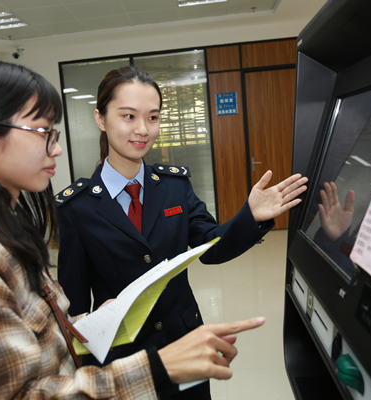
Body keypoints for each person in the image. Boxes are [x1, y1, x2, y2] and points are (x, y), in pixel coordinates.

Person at [0, 60, 267, 399]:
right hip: (122, 365)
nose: (56, 148)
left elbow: (36, 335)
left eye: (153, 117)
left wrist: (83, 322)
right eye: (42, 131)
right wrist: (156, 368)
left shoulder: (0, 230)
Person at [55, 65, 308, 399]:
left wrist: (251, 216)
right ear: (100, 119)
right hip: (123, 361)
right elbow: (73, 308)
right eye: (128, 116)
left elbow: (211, 247)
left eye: (153, 117)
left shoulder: (174, 187)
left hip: (184, 345)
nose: (142, 129)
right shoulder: (77, 207)